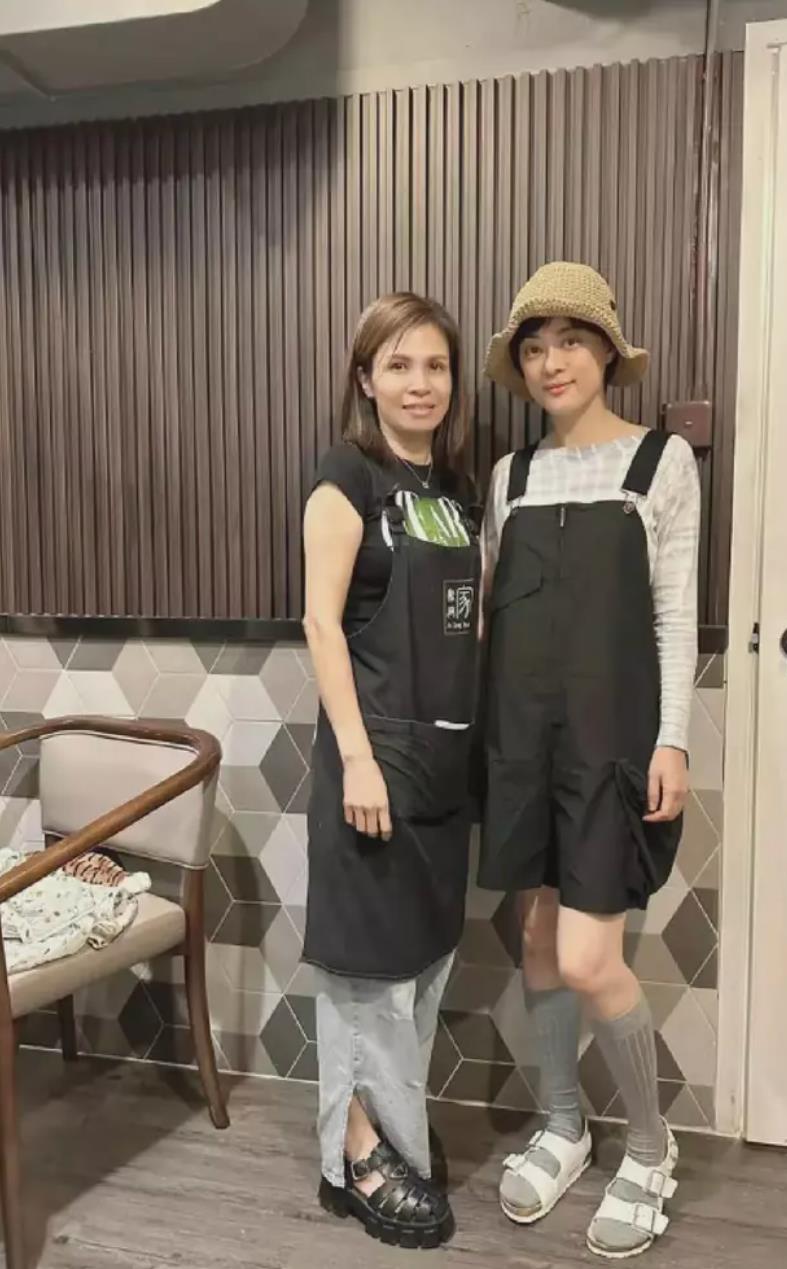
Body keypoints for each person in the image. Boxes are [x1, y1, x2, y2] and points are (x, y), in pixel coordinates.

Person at [478, 262, 700, 1258]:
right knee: (534, 942)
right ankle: (564, 1123)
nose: (550, 361)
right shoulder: (510, 478)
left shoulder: (662, 462)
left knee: (586, 957)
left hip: (614, 745)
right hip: (522, 741)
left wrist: (673, 739)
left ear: (607, 349)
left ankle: (649, 1146)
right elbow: (495, 617)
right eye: (533, 347)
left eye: (570, 340)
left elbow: (672, 615)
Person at [301, 293, 480, 1251]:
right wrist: (358, 759)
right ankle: (359, 1152)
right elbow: (322, 623)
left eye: (436, 366)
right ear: (366, 377)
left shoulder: (455, 490)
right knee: (368, 972)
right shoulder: (347, 477)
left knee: (422, 959)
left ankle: (395, 1127)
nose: (420, 383)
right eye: (399, 365)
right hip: (371, 765)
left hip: (442, 765)